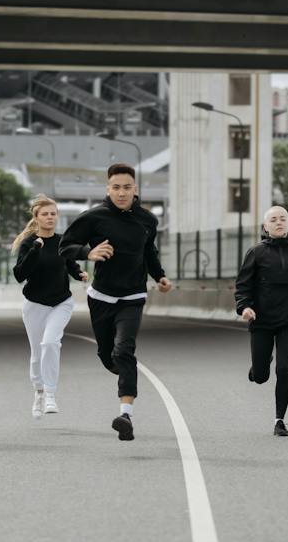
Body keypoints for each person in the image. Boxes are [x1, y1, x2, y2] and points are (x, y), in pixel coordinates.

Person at [60, 163, 172, 441]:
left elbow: (149, 252)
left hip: (133, 296)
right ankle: (118, 367)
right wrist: (89, 251)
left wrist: (160, 276)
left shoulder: (148, 221)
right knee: (108, 355)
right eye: (116, 188)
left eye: (127, 187)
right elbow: (65, 247)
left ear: (135, 189)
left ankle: (126, 415)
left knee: (124, 351)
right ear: (108, 189)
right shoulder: (94, 217)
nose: (122, 193)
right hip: (101, 297)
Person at [234, 205, 288, 437]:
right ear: (265, 226)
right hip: (261, 320)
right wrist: (245, 307)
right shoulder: (256, 252)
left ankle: (280, 420)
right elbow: (243, 286)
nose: (279, 222)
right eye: (274, 219)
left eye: (283, 219)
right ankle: (258, 367)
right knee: (260, 377)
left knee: (284, 368)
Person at [12, 194, 84, 418]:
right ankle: (39, 392)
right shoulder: (29, 243)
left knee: (50, 343)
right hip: (35, 304)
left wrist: (79, 273)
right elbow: (19, 274)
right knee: (36, 353)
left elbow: (70, 262)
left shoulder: (63, 241)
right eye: (45, 214)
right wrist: (35, 250)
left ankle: (51, 394)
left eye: (53, 214)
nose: (50, 217)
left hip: (61, 302)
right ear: (37, 217)